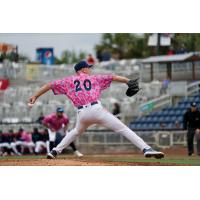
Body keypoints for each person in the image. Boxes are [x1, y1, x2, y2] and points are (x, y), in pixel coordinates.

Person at [28, 60, 164, 159]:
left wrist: (35, 96)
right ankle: (146, 148)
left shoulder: (67, 81)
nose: (90, 69)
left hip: (82, 113)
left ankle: (54, 151)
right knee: (123, 128)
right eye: (88, 67)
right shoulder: (95, 78)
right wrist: (128, 81)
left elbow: (49, 85)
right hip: (96, 109)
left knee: (75, 131)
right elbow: (113, 77)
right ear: (82, 70)